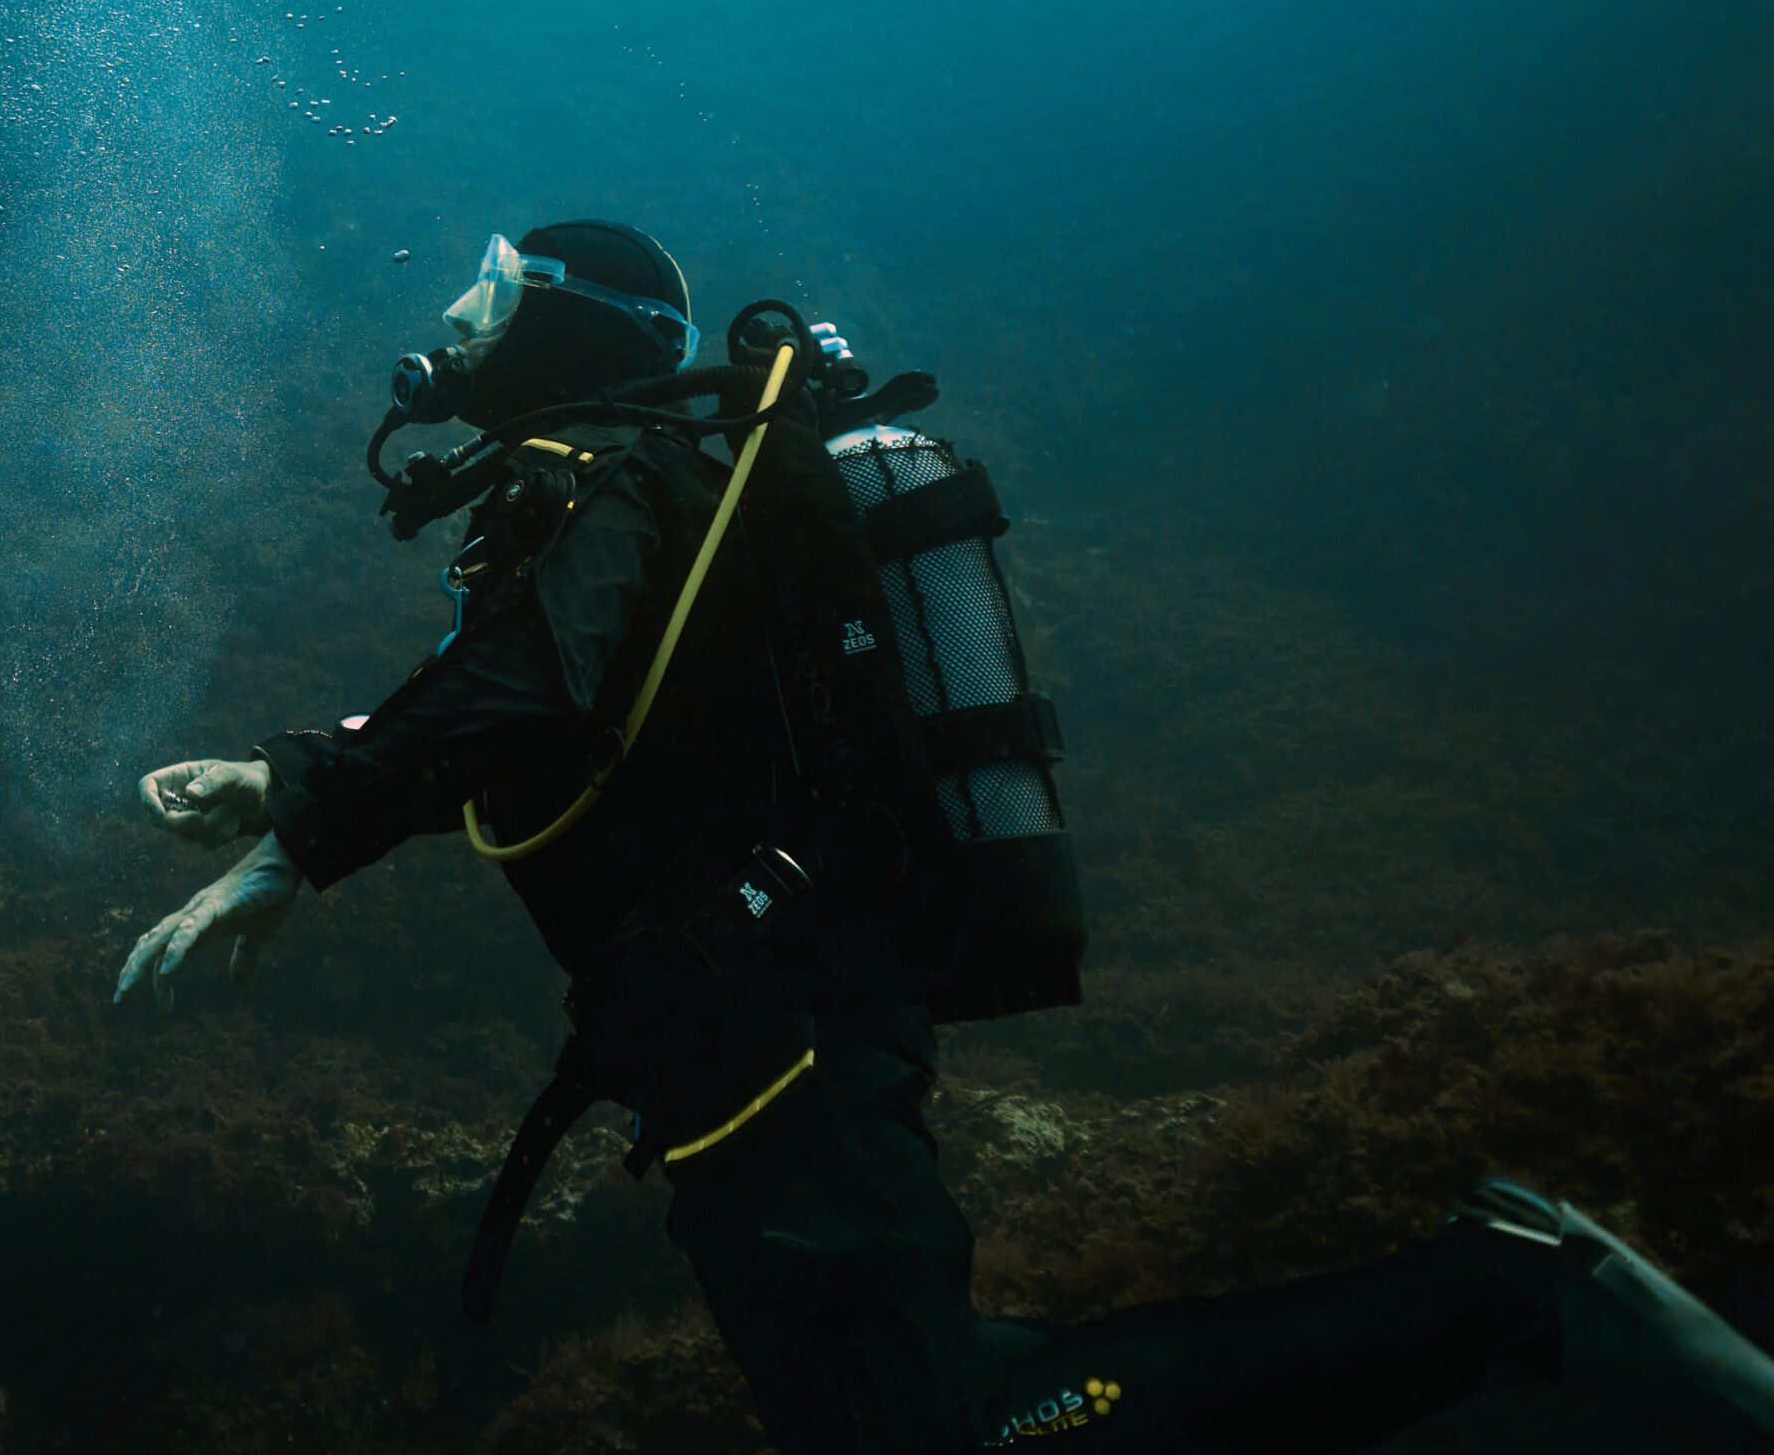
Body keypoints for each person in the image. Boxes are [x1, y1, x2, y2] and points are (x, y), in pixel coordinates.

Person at [116, 221, 1774, 1452]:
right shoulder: (636, 487)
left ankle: (1506, 1299)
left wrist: (292, 842)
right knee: (885, 1420)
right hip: (742, 1022)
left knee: (924, 1431)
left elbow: (520, 685)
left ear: (559, 326)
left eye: (486, 288)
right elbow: (553, 704)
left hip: (774, 1018)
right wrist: (291, 792)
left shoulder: (610, 479)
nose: (454, 321)